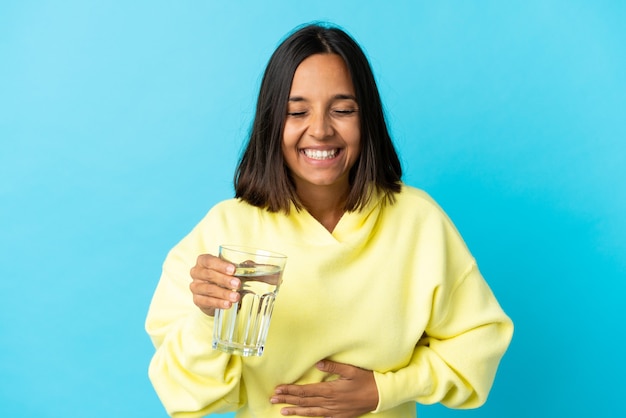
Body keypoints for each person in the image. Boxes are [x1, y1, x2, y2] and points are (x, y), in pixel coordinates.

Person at [145, 22, 513, 418]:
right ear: (271, 123)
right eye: (297, 111)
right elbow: (183, 396)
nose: (320, 130)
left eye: (342, 110)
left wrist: (384, 390)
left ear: (366, 118)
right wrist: (207, 320)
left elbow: (479, 346)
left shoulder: (418, 221)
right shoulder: (224, 230)